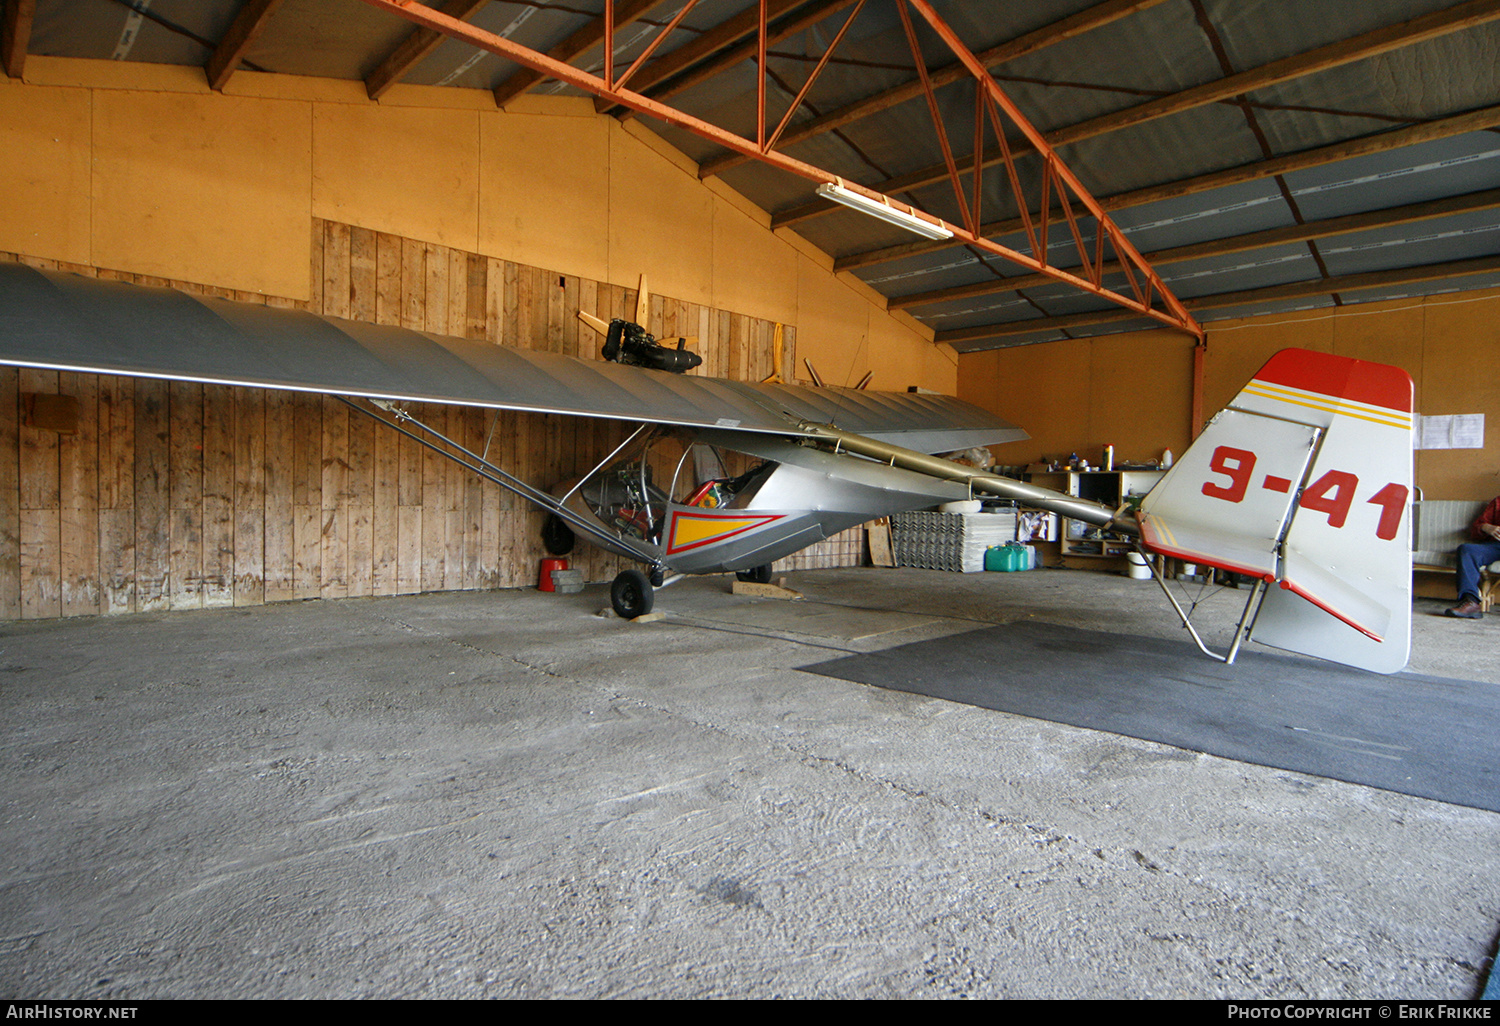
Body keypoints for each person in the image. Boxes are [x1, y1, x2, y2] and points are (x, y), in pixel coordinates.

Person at [1445, 495, 1500, 618]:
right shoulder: (1498, 501)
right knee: (1467, 550)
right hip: (1496, 546)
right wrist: (1486, 527)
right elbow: (1476, 528)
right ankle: (1470, 602)